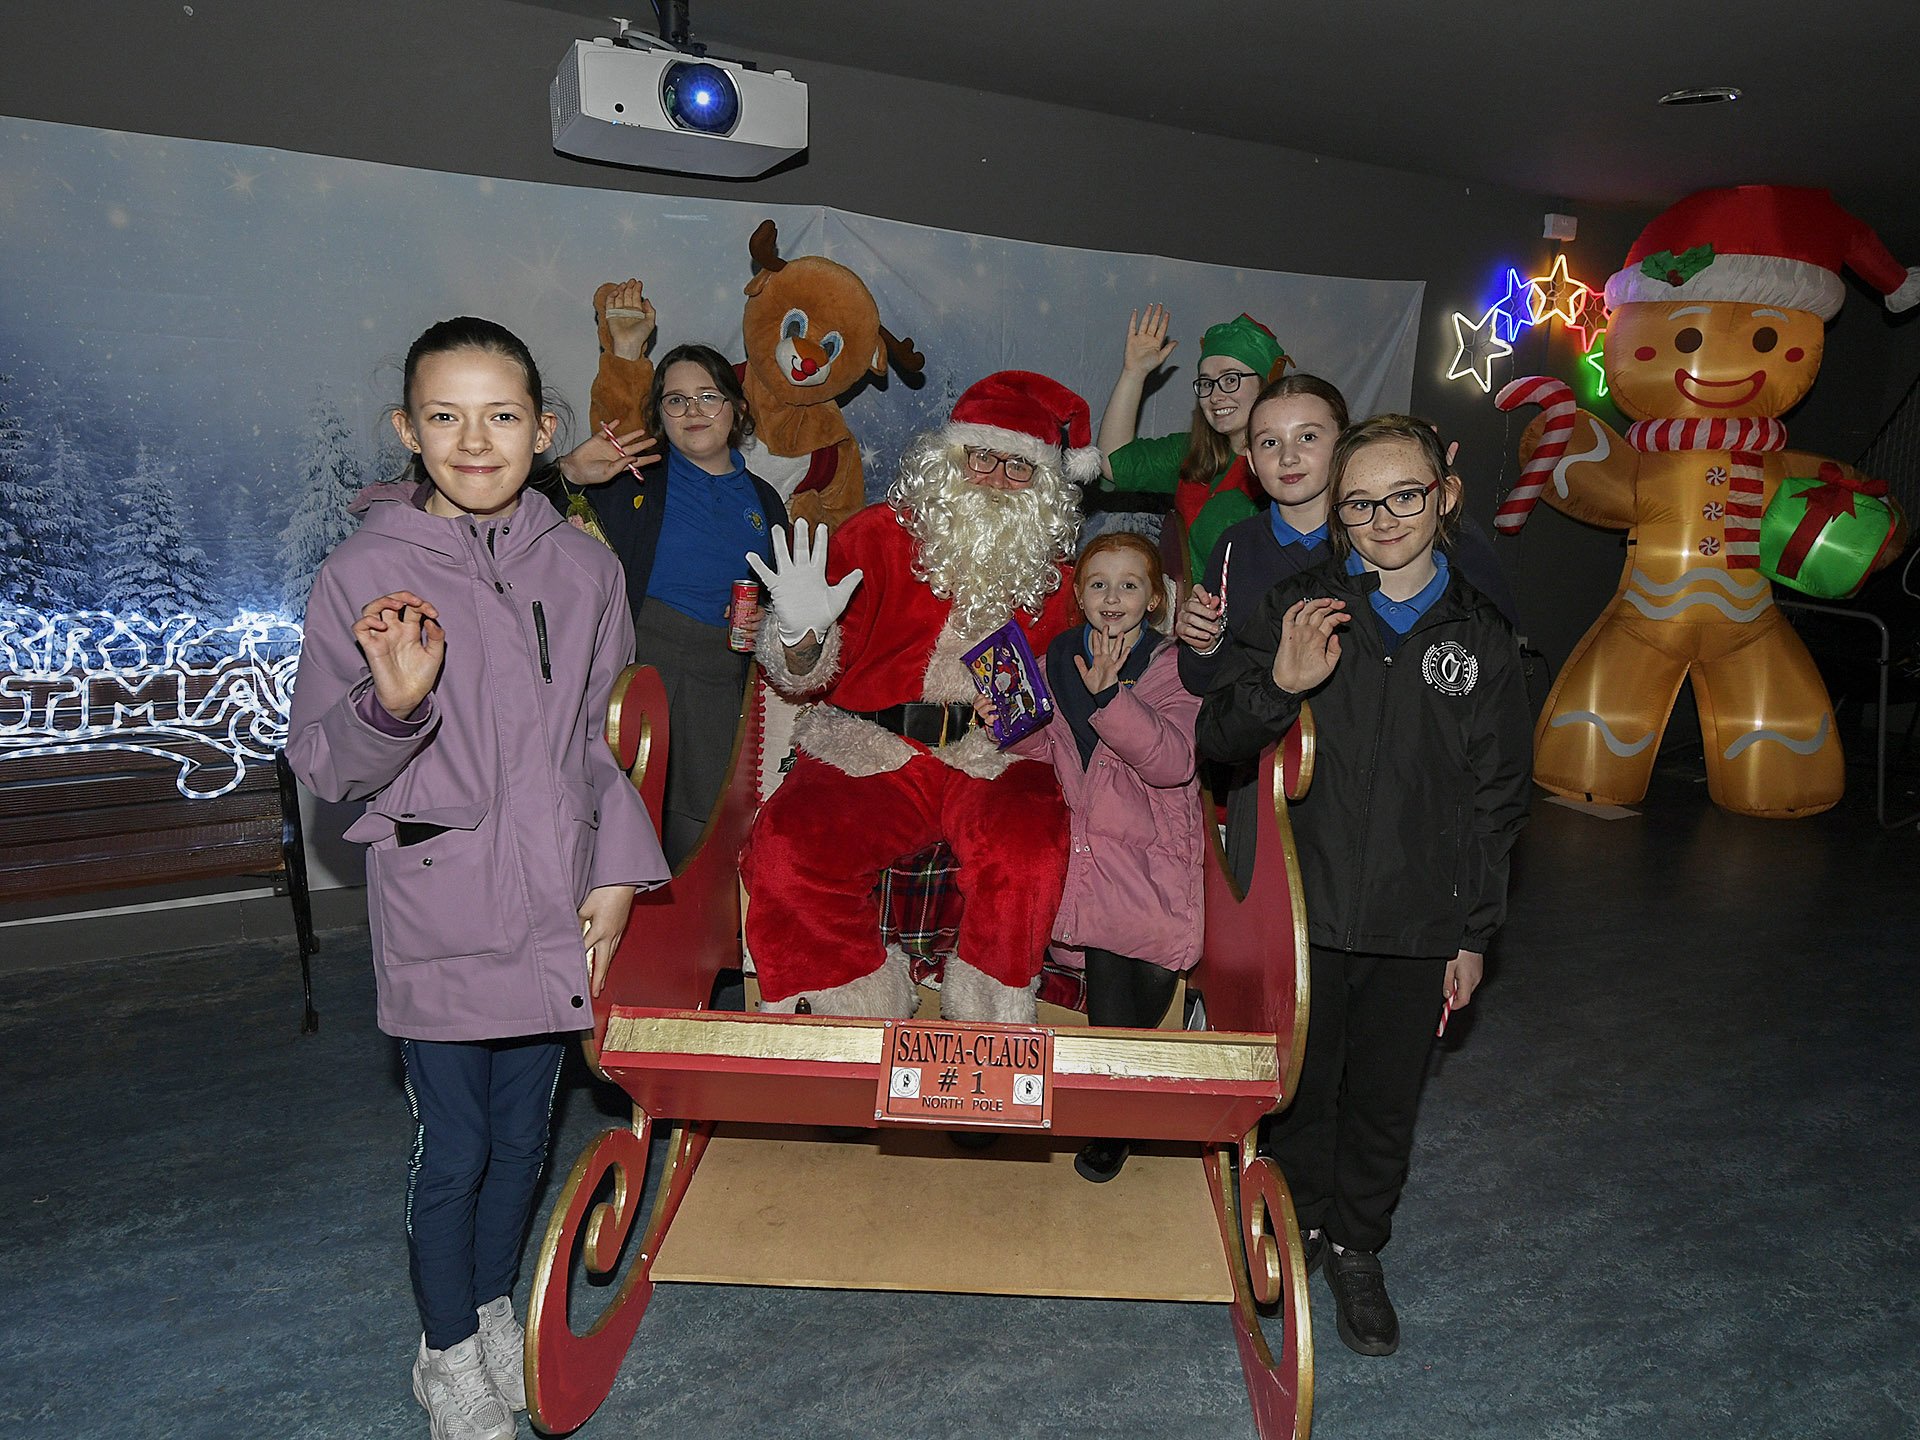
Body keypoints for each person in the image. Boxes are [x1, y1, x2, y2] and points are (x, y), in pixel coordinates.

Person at [285, 317, 668, 1440]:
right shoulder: (363, 574)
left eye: (501, 415)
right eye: (444, 416)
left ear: (543, 429)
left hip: (557, 903)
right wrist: (390, 706)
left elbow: (601, 742)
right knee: (454, 1150)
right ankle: (445, 1349)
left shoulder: (585, 567)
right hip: (441, 902)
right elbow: (322, 762)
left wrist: (616, 874)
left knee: (525, 1140)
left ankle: (492, 1304)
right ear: (408, 430)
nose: (474, 439)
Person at [1195, 414, 1531, 1358]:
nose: (1384, 519)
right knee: (1301, 1089)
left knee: (1385, 1098)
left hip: (1417, 920)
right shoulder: (1300, 608)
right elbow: (1217, 738)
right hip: (1303, 910)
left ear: (1444, 496)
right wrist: (1281, 682)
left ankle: (1358, 1246)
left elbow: (1500, 799)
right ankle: (1299, 1219)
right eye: (1360, 504)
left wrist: (1473, 933)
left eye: (1405, 496)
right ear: (1337, 511)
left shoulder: (1481, 636)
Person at [740, 370, 1099, 1021]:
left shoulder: (1062, 585)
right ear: (949, 457)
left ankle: (988, 1014)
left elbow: (1091, 684)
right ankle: (845, 1012)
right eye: (981, 457)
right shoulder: (876, 536)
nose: (995, 480)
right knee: (791, 844)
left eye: (1019, 467)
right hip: (873, 746)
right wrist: (799, 636)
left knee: (1029, 846)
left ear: (1045, 486)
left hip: (994, 758)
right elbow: (808, 673)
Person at [982, 531, 1203, 1181]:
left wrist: (1112, 698)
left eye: (1130, 585)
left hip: (1153, 848)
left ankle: (1121, 1097)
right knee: (1107, 945)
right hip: (1092, 846)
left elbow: (1173, 762)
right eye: (1099, 584)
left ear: (1154, 598)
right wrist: (1006, 724)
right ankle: (1112, 1122)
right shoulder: (1057, 658)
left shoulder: (1172, 665)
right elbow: (1050, 748)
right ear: (1078, 595)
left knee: (1144, 968)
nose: (1113, 597)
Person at [561, 321, 790, 863]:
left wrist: (770, 624)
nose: (693, 411)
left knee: (702, 837)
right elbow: (529, 521)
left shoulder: (765, 502)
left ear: (736, 408)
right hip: (638, 661)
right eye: (676, 400)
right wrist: (568, 474)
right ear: (660, 415)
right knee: (622, 819)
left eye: (708, 396)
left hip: (723, 678)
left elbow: (785, 604)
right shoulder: (633, 476)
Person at [1096, 307, 1290, 581]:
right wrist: (1134, 374)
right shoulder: (1192, 453)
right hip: (1187, 607)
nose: (1215, 395)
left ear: (1265, 385)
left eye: (1230, 379)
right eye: (1206, 383)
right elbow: (1112, 462)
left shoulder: (1291, 465)